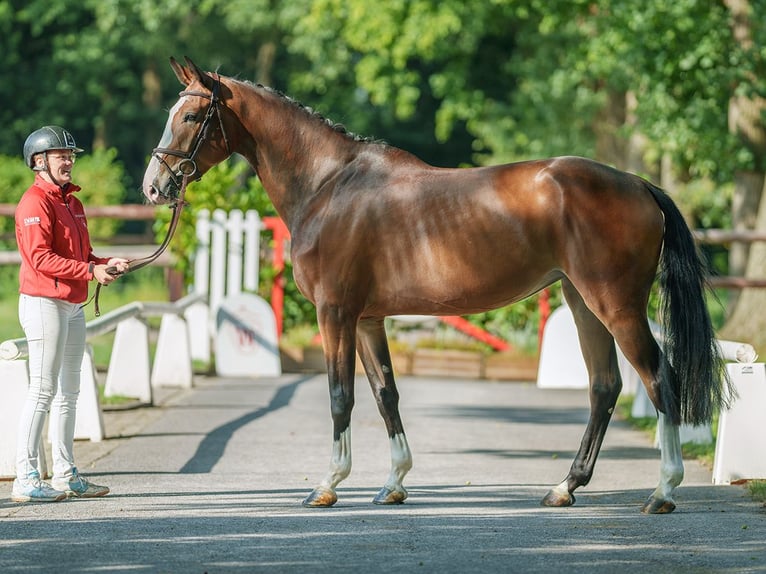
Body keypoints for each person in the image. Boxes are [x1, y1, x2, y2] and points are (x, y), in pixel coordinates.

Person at [11, 126, 129, 503]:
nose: (69, 161)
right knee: (43, 390)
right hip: (44, 302)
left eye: (71, 155)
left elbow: (82, 256)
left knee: (69, 393)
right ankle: (25, 476)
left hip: (73, 304)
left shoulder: (72, 204)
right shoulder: (34, 203)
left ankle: (65, 473)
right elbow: (40, 258)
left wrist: (105, 263)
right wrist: (90, 272)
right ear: (39, 161)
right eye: (62, 155)